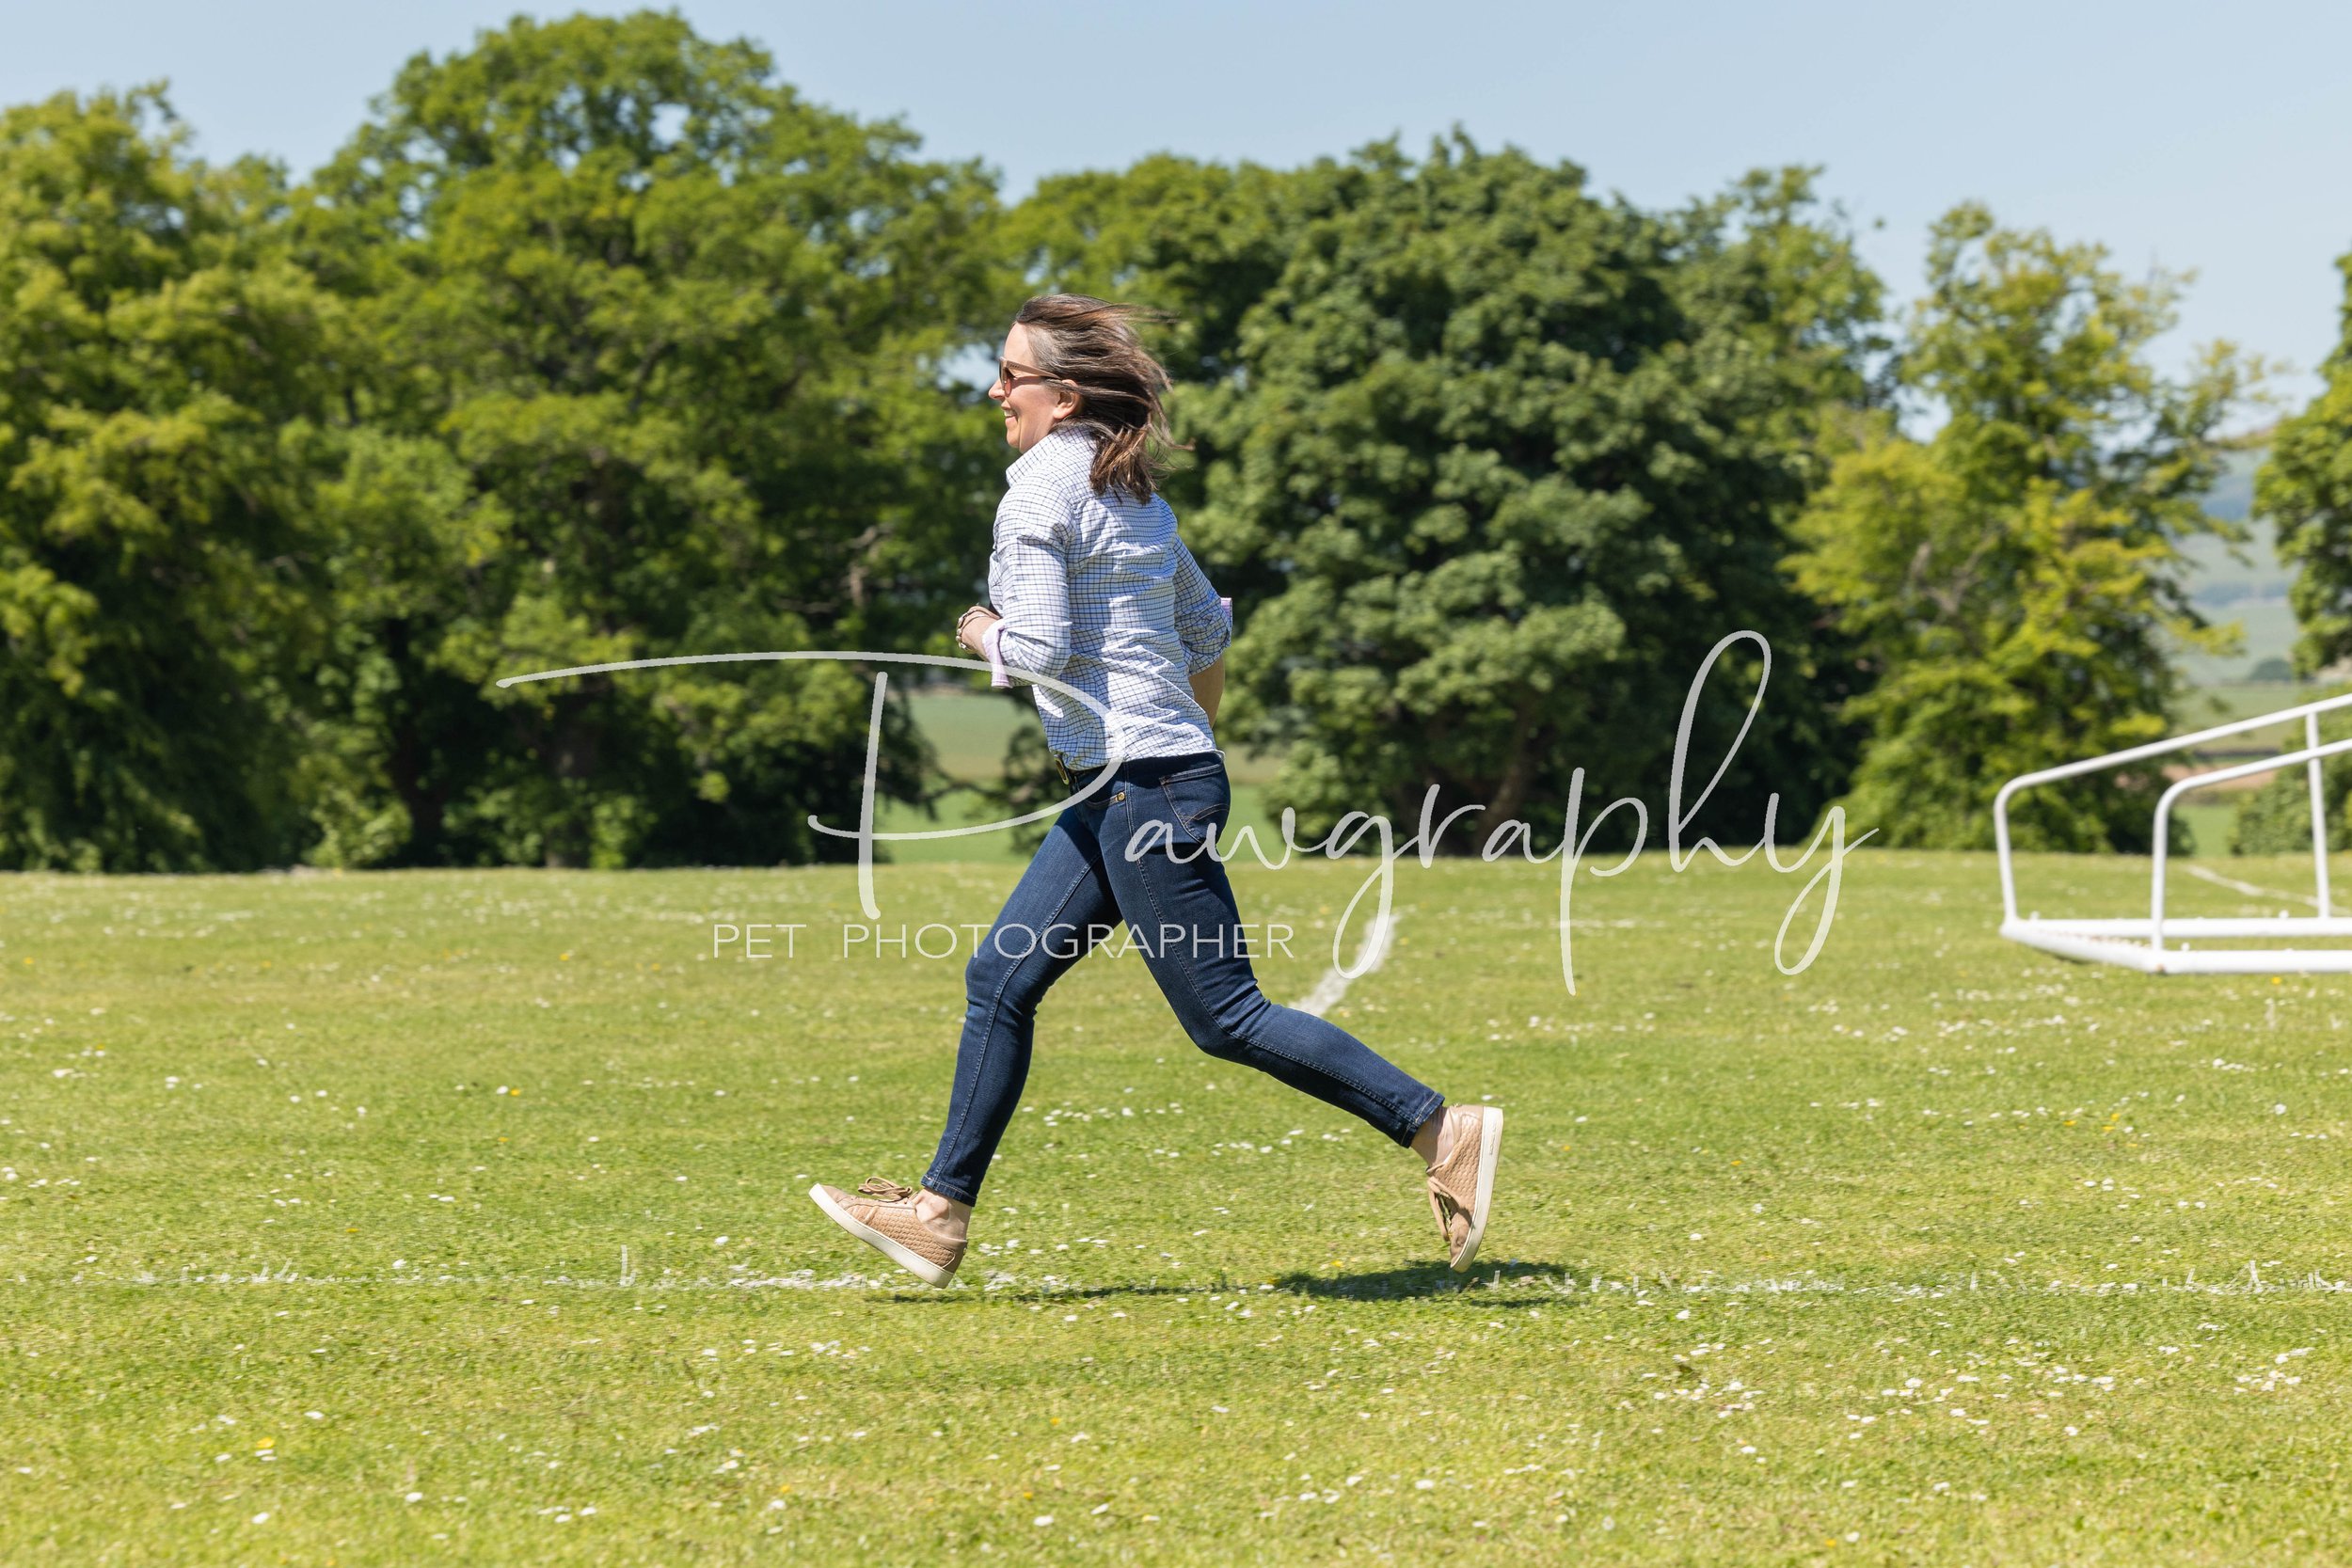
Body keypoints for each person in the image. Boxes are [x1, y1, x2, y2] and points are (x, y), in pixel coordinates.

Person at [809, 295, 1502, 1287]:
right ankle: (938, 1216)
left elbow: (1040, 649)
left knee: (1225, 1014)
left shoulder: (1036, 496)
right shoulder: (1129, 491)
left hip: (1140, 787)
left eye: (1009, 374)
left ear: (1063, 395)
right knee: (1000, 978)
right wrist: (1187, 748)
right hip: (1132, 784)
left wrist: (978, 629)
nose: (994, 391)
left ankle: (1437, 1125)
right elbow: (1207, 629)